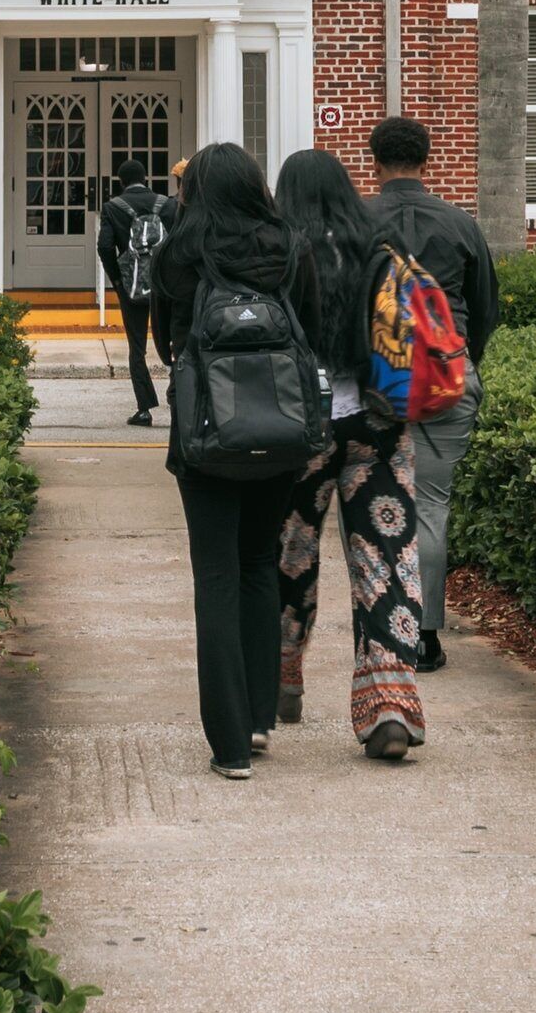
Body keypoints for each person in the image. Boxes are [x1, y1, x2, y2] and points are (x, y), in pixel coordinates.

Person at [269, 146, 425, 762]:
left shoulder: (280, 252)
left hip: (299, 427)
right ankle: (390, 702)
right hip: (379, 424)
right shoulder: (381, 248)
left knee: (290, 552)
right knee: (387, 556)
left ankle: (283, 675)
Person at [154, 141, 304, 781]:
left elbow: (167, 344)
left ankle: (230, 748)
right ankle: (260, 718)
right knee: (260, 564)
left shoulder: (179, 253)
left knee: (214, 575)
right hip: (279, 428)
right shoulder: (287, 248)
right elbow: (309, 332)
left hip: (207, 433)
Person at [370, 116, 498, 672]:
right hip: (446, 378)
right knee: (430, 508)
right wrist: (463, 366)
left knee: (374, 510)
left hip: (377, 382)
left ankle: (381, 627)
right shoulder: (460, 224)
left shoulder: (357, 222)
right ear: (428, 160)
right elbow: (486, 310)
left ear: (373, 161)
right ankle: (424, 637)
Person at [98, 166, 179, 426]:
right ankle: (177, 395)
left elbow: (105, 246)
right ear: (145, 179)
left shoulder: (113, 207)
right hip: (165, 286)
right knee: (175, 342)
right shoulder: (167, 205)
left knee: (137, 348)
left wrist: (118, 280)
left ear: (121, 180)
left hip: (131, 286)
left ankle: (144, 408)